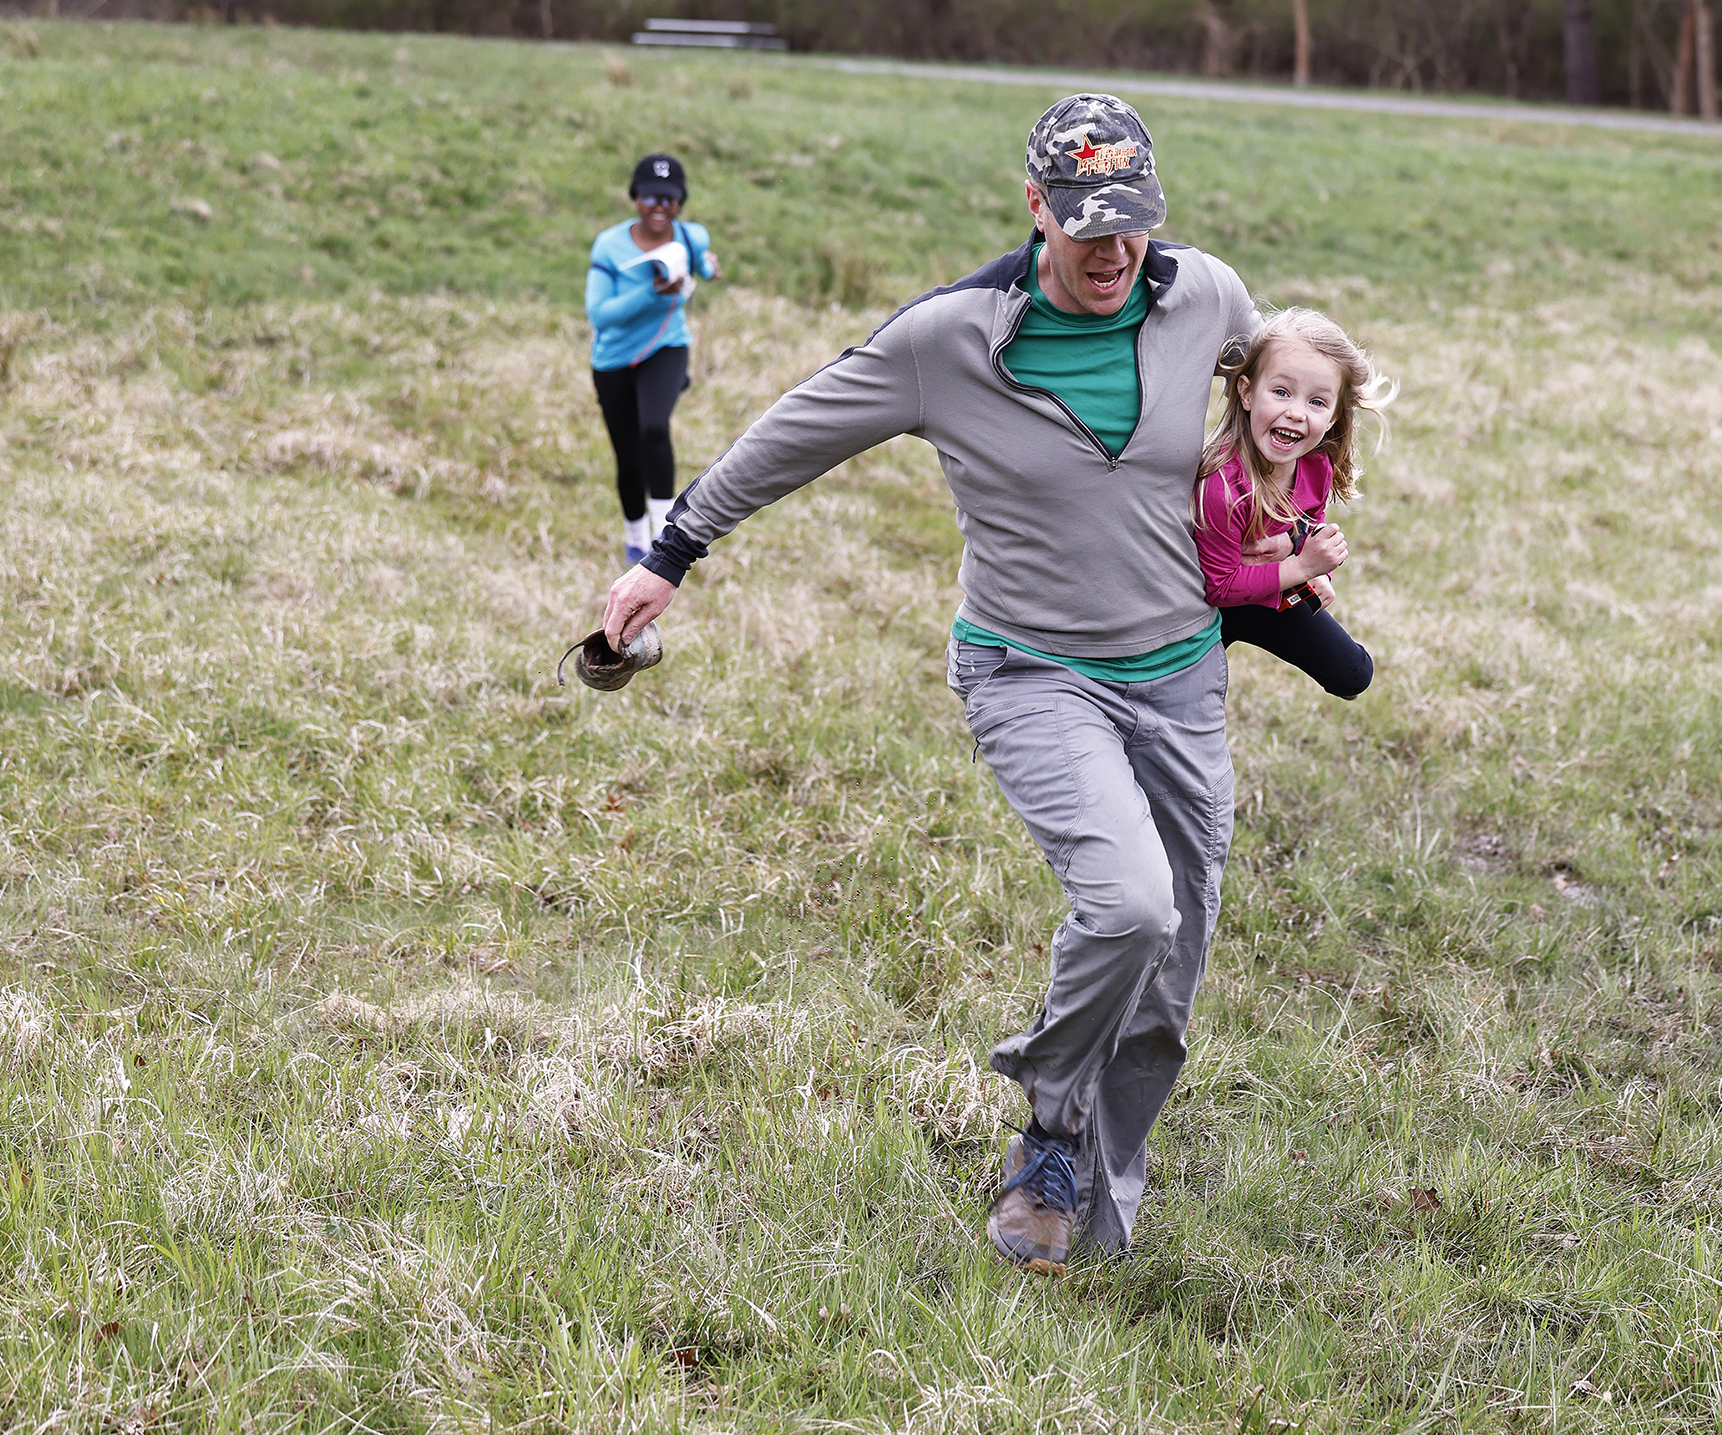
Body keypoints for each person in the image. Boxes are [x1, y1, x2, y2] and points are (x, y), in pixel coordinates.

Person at [600, 93, 1259, 1271]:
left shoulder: (1206, 295)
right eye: (1085, 225)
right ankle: (1050, 1137)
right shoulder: (949, 340)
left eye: (1133, 225)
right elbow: (792, 433)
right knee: (1129, 905)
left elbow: (1272, 416)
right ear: (1035, 208)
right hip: (1033, 671)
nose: (1113, 253)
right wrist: (672, 551)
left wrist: (1285, 542)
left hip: (1181, 678)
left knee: (1167, 975)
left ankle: (1094, 1220)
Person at [1193, 309, 1391, 700]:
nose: (1296, 412)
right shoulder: (1222, 486)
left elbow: (1309, 521)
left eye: (1317, 402)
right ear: (1247, 393)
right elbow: (1219, 588)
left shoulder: (1316, 465)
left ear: (1334, 418)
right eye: (1281, 392)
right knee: (1192, 703)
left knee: (1355, 674)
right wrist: (1299, 567)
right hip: (1208, 610)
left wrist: (1315, 573)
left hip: (1271, 588)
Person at [585, 153, 719, 564]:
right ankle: (635, 539)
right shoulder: (609, 246)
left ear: (680, 202)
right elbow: (600, 316)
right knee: (628, 456)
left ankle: (664, 540)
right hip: (614, 361)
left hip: (667, 347)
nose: (660, 206)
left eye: (670, 198)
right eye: (650, 197)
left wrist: (710, 269)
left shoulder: (689, 236)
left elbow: (703, 266)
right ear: (635, 198)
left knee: (655, 428)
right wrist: (651, 293)